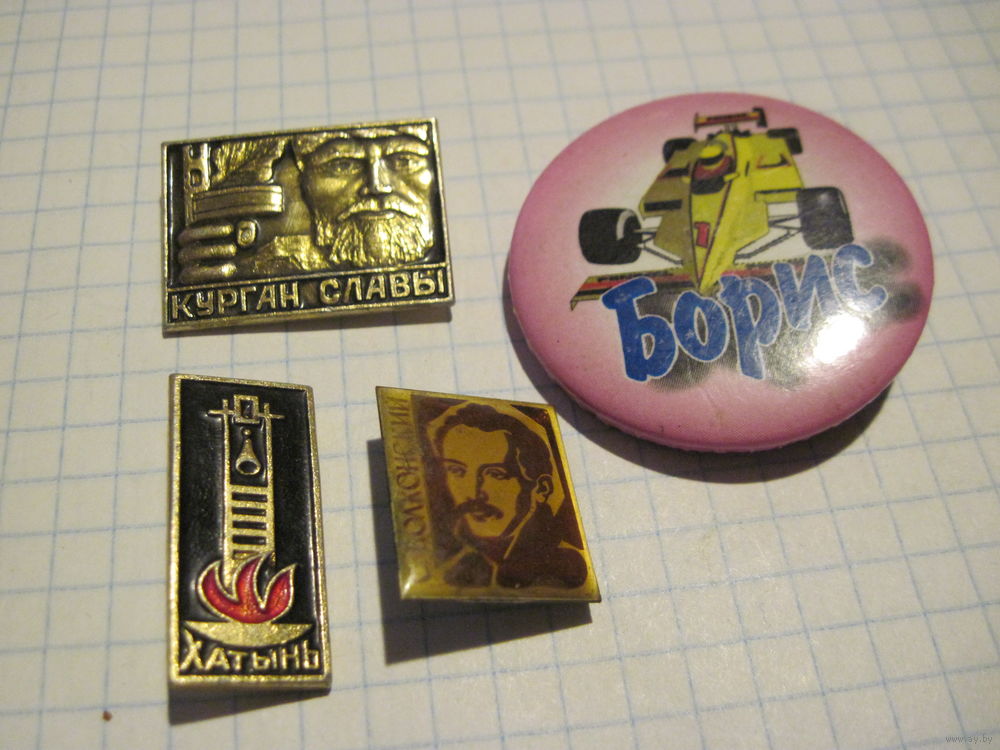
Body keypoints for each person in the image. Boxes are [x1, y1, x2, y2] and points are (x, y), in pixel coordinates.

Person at [175, 123, 437, 281]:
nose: (378, 186)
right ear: (304, 179)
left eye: (405, 161)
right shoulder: (267, 264)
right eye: (343, 165)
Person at [427, 401, 588, 590]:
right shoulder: (454, 556)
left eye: (496, 474)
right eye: (457, 471)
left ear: (541, 489)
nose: (473, 493)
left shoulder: (563, 567)